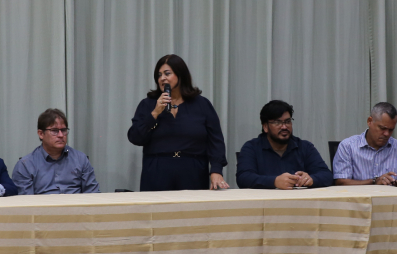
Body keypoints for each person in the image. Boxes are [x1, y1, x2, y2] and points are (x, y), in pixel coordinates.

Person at [127, 54, 229, 191]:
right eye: (159, 75)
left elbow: (215, 140)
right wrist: (155, 113)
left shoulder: (202, 104)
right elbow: (135, 137)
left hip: (193, 170)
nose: (162, 78)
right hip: (157, 171)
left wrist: (216, 170)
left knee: (191, 211)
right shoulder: (148, 105)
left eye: (167, 73)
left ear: (180, 75)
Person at [237, 100, 333, 189]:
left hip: (300, 203)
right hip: (264, 204)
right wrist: (274, 182)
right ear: (265, 127)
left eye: (287, 122)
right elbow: (243, 178)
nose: (284, 127)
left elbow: (326, 175)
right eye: (277, 122)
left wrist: (311, 179)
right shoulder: (251, 148)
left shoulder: (305, 147)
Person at [12, 109, 100, 195]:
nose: (61, 135)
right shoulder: (26, 165)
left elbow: (93, 194)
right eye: (54, 131)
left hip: (76, 208)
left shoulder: (80, 159)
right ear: (41, 134)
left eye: (64, 130)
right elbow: (26, 204)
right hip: (43, 208)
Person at [332, 102, 397, 190]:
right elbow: (341, 183)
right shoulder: (348, 146)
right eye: (382, 128)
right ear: (369, 121)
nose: (386, 134)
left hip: (391, 201)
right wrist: (374, 182)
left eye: (391, 130)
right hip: (359, 201)